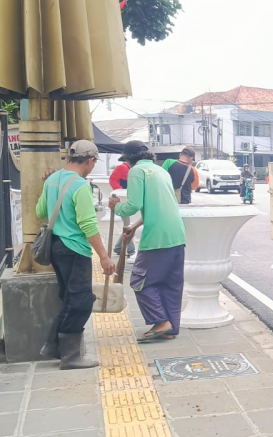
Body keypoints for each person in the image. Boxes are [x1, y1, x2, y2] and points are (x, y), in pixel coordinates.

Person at [36, 140, 116, 369]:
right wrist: (104, 256)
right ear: (90, 161)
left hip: (56, 247)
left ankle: (53, 346)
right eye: (94, 163)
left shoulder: (52, 179)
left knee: (70, 298)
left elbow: (40, 211)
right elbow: (88, 224)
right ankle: (69, 356)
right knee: (81, 301)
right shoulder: (80, 186)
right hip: (74, 249)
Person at [110, 140, 187, 342]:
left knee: (140, 281)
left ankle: (161, 322)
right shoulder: (161, 171)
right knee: (170, 284)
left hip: (157, 237)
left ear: (129, 160)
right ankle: (170, 327)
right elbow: (157, 205)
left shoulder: (136, 171)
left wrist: (116, 207)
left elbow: (133, 205)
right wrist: (134, 227)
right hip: (177, 235)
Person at [109, 156, 136, 257]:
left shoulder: (131, 169)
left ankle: (119, 247)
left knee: (128, 225)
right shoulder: (122, 168)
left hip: (127, 199)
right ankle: (131, 250)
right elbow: (113, 180)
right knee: (129, 226)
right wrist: (120, 191)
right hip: (123, 200)